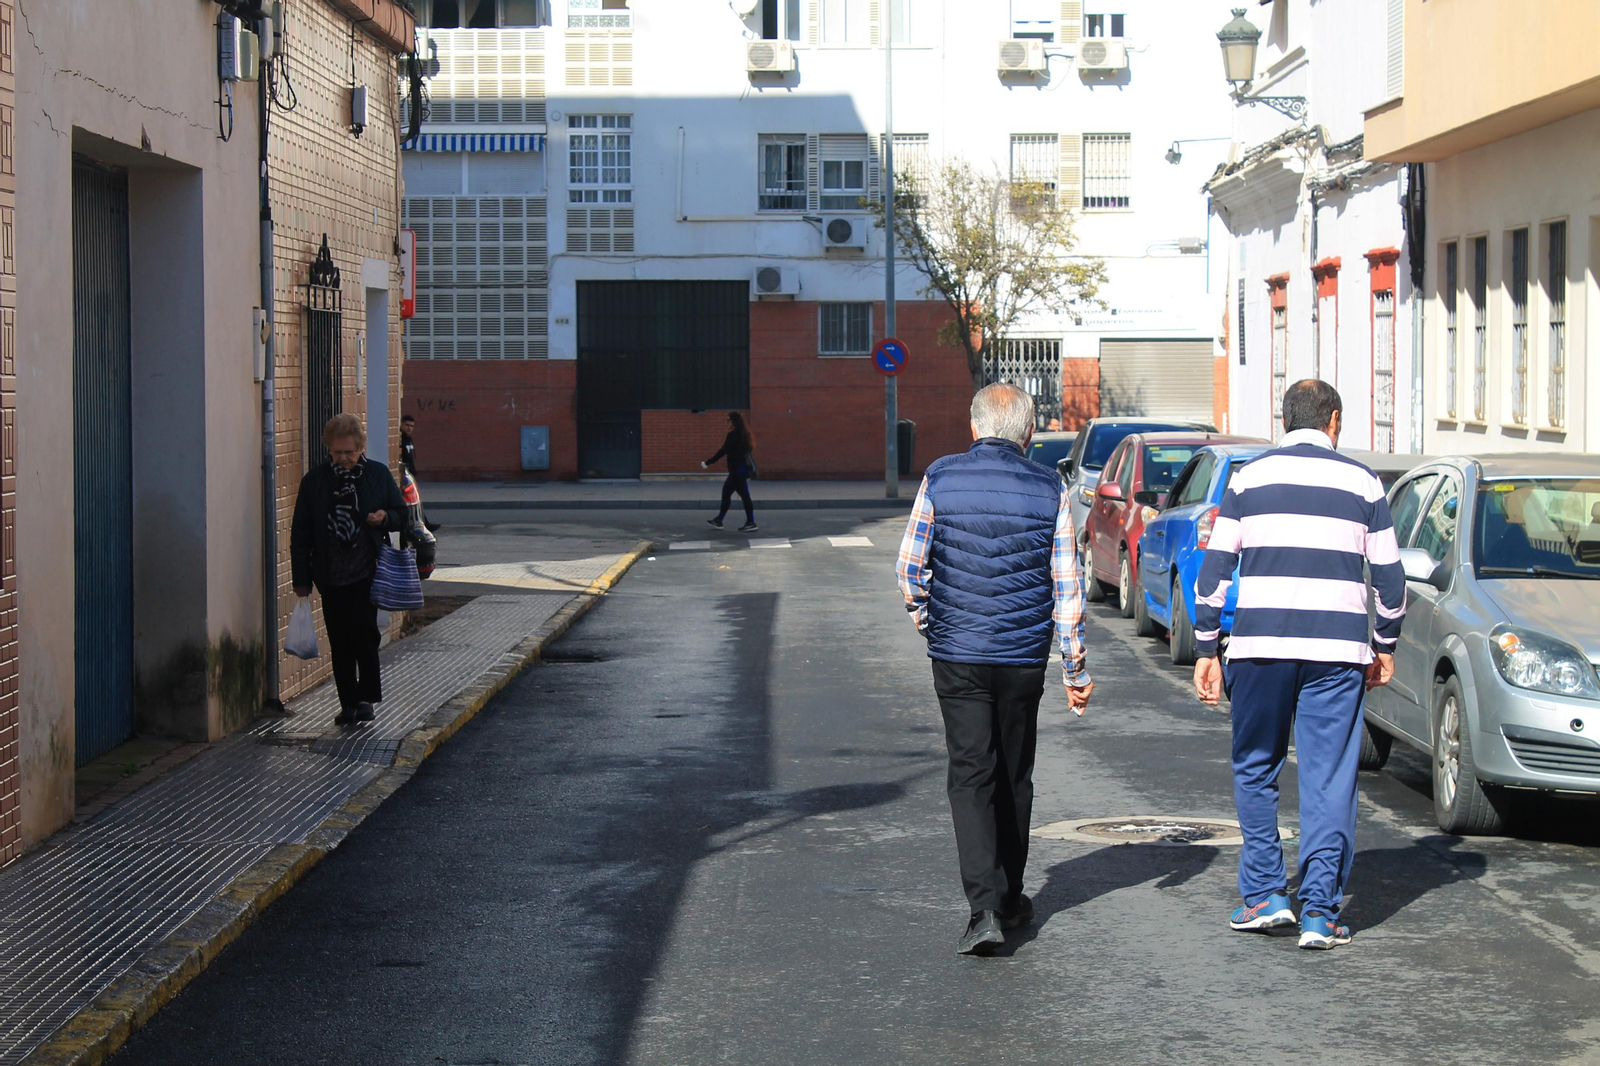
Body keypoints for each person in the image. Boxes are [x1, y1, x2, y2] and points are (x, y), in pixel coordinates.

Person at [1192, 379, 1406, 951]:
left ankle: (1264, 895)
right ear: (1333, 419)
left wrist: (1207, 647)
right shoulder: (1364, 483)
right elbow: (1390, 581)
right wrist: (1384, 645)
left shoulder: (1248, 477)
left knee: (1256, 765)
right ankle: (1319, 912)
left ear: (1286, 420)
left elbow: (1212, 575)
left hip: (1260, 648)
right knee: (1329, 776)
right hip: (1336, 654)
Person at [896, 383, 1093, 956]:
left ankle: (983, 906)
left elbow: (910, 569)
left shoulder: (939, 476)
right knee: (1014, 774)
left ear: (974, 427)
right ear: (1029, 434)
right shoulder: (1049, 486)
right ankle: (1009, 898)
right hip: (1022, 658)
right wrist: (1074, 669)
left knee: (970, 773)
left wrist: (934, 625)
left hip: (958, 655)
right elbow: (1068, 586)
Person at [291, 414, 407, 726]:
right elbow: (300, 533)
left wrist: (384, 518)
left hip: (366, 570)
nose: (343, 459)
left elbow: (401, 515)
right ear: (328, 449)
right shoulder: (315, 482)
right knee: (340, 640)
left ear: (360, 449)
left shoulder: (377, 475)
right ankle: (347, 704)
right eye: (337, 453)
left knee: (365, 636)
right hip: (330, 574)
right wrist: (301, 579)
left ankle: (366, 698)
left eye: (350, 453)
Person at [701, 411, 757, 532]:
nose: (728, 423)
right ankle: (720, 520)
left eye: (728, 420)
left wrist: (708, 462)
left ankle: (750, 522)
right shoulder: (745, 434)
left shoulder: (733, 435)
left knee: (740, 496)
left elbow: (723, 451)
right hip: (741, 470)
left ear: (733, 421)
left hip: (737, 471)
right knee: (732, 494)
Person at [399, 413, 418, 477]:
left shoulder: (409, 438)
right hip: (404, 473)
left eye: (411, 426)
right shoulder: (400, 438)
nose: (409, 428)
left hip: (411, 473)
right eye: (407, 425)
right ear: (401, 424)